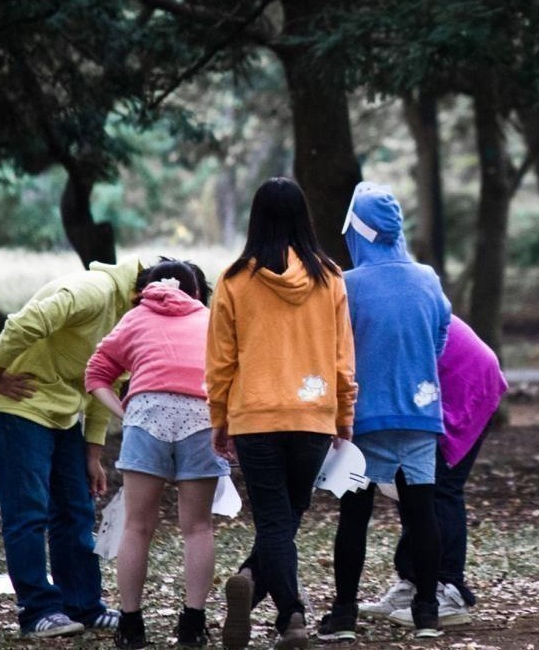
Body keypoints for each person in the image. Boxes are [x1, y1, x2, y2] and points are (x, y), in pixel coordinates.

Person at [206, 177, 357, 650]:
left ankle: (268, 594)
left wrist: (219, 417)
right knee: (286, 518)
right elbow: (341, 356)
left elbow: (221, 361)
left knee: (276, 520)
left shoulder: (233, 280)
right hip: (312, 416)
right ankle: (286, 612)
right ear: (304, 218)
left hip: (255, 417)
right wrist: (344, 414)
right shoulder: (330, 277)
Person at [318, 182, 451, 641]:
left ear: (356, 230)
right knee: (421, 515)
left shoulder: (346, 285)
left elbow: (336, 349)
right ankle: (427, 612)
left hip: (363, 418)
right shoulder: (428, 278)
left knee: (354, 517)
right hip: (420, 414)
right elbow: (440, 336)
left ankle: (344, 615)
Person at [0, 257, 141, 638]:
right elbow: (24, 322)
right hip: (20, 404)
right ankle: (37, 611)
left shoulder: (131, 320)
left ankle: (83, 606)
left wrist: (92, 454)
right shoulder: (93, 291)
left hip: (64, 412)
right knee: (29, 510)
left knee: (75, 509)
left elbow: (108, 379)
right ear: (143, 293)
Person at [85, 258, 231, 649]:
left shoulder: (134, 318)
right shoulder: (210, 319)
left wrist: (125, 411)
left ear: (146, 289)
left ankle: (131, 625)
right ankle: (192, 624)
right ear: (197, 292)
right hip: (201, 416)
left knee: (137, 526)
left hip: (146, 415)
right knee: (197, 527)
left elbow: (96, 373)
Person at [361, 315, 508, 628]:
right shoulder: (367, 293)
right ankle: (415, 580)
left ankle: (450, 590)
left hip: (466, 383)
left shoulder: (358, 298)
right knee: (410, 484)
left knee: (439, 487)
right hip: (434, 388)